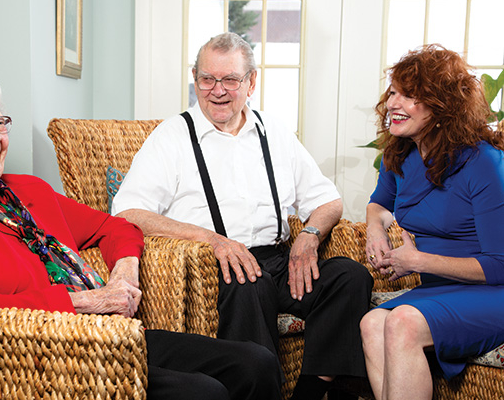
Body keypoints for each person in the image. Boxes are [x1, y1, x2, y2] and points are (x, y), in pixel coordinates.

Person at [0, 66, 281, 400]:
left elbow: (117, 226)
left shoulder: (28, 190)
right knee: (203, 391)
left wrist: (124, 272)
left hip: (109, 333)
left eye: (0, 123)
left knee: (256, 362)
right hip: (38, 353)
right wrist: (87, 301)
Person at [112, 32, 373, 400]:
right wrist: (212, 240)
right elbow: (128, 212)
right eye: (207, 79)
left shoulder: (274, 132)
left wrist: (309, 233)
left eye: (230, 79)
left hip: (280, 259)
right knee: (248, 281)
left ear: (252, 81)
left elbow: (328, 200)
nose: (217, 90)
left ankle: (313, 390)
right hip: (218, 263)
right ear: (195, 78)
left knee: (350, 276)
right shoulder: (171, 137)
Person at [361, 44, 504, 400]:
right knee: (371, 322)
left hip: (492, 293)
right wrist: (375, 229)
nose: (394, 103)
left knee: (401, 322)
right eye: (393, 91)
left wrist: (417, 261)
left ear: (442, 105)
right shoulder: (401, 153)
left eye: (409, 96)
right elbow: (379, 204)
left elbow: (500, 266)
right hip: (440, 288)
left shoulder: (484, 163)